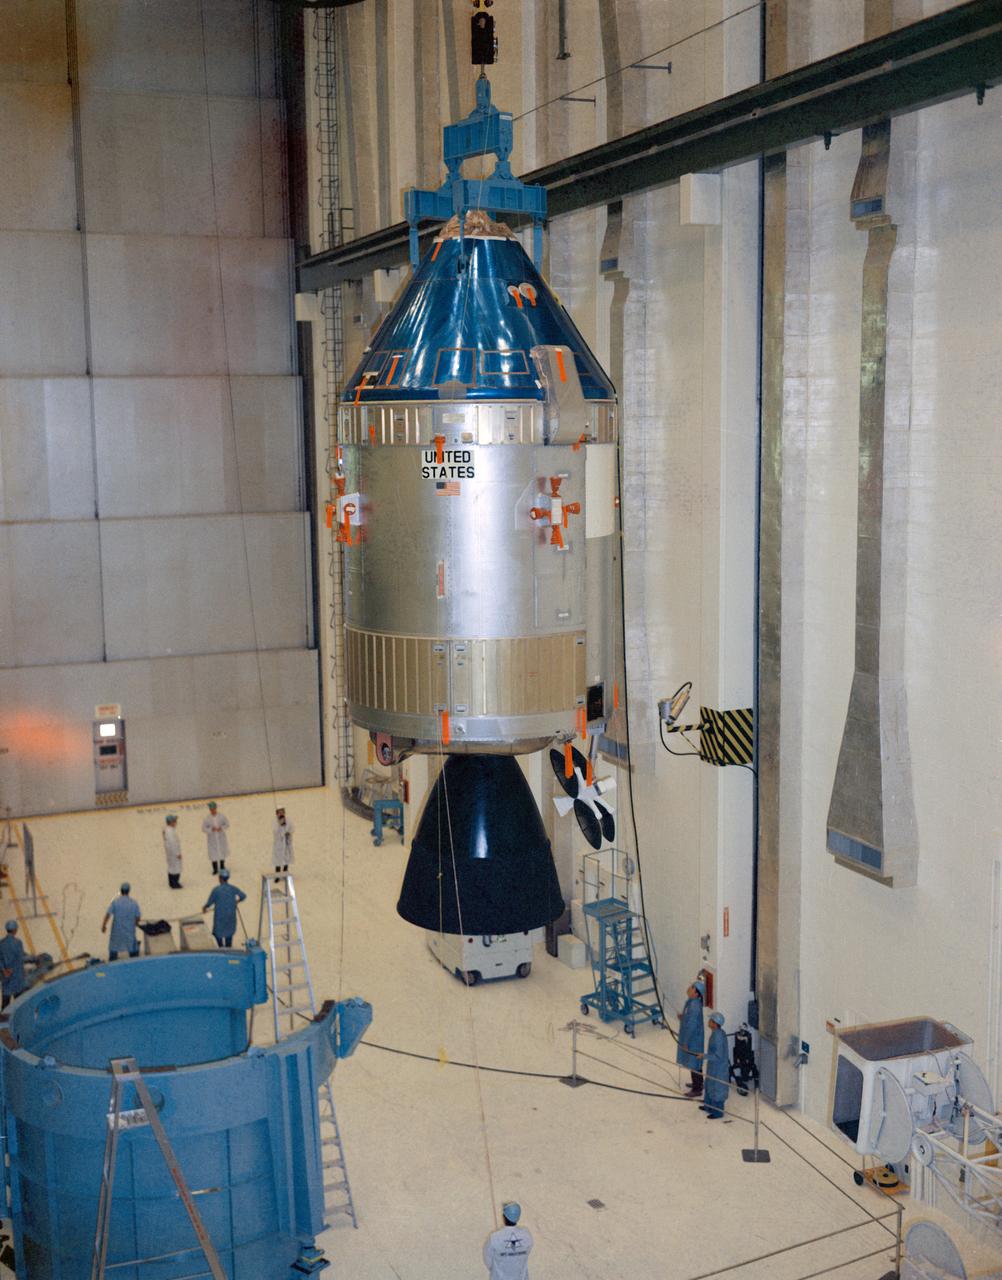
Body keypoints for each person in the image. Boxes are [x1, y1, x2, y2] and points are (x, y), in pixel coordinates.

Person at [483, 1201, 533, 1280]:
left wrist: (498, 1269)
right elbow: (528, 1251)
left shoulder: (495, 1237)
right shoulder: (526, 1234)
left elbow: (487, 1258)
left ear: (504, 1217)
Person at [202, 869, 247, 948]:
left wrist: (205, 908)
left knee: (218, 933)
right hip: (230, 916)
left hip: (220, 917)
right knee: (229, 933)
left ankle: (221, 947)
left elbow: (210, 902)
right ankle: (228, 948)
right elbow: (243, 896)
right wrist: (237, 901)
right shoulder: (233, 888)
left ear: (220, 878)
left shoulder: (216, 890)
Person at [677, 978, 706, 1097]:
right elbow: (689, 1019)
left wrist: (686, 1042)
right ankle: (698, 1083)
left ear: (696, 992)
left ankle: (697, 1089)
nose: (689, 988)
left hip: (693, 1040)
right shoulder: (691, 1002)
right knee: (695, 1062)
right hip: (693, 1038)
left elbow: (692, 1026)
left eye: (692, 987)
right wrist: (683, 1017)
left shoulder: (694, 1005)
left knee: (694, 1062)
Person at [101, 883, 142, 960]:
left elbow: (108, 915)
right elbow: (138, 917)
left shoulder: (115, 902)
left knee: (114, 946)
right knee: (132, 946)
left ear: (121, 891)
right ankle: (134, 959)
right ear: (129, 891)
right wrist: (135, 923)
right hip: (129, 930)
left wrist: (104, 926)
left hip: (117, 931)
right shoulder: (133, 903)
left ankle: (112, 959)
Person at [702, 1011, 730, 1120]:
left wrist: (704, 1056)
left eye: (711, 1020)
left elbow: (718, 1056)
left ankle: (718, 1112)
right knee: (709, 1085)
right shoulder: (716, 1033)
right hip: (713, 1066)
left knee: (717, 1088)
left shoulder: (718, 1036)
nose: (708, 1022)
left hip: (718, 1068)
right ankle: (708, 1106)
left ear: (715, 1023)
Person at [0, 920, 28, 1010]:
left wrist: (4, 970)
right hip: (16, 977)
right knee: (19, 1003)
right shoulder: (18, 943)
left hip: (6, 976)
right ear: (15, 930)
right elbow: (20, 959)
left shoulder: (1, 943)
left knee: (5, 1003)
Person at [202, 801, 230, 875]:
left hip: (221, 837)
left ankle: (222, 866)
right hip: (212, 839)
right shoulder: (207, 818)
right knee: (213, 853)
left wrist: (221, 828)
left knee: (221, 851)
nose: (212, 810)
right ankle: (215, 868)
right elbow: (203, 828)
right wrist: (211, 829)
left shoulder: (221, 816)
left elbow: (227, 824)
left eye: (214, 809)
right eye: (211, 809)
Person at [162, 813, 183, 889]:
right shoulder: (170, 832)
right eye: (174, 821)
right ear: (171, 822)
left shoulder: (167, 830)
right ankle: (175, 883)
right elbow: (172, 844)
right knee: (175, 868)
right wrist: (177, 854)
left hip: (170, 853)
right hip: (173, 854)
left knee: (171, 867)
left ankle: (171, 882)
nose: (176, 822)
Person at [272, 808, 294, 873]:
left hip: (286, 842)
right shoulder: (274, 821)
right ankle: (277, 875)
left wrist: (288, 832)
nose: (281, 814)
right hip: (279, 843)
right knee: (278, 859)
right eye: (279, 812)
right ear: (277, 814)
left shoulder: (288, 820)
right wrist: (280, 825)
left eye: (282, 812)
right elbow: (275, 830)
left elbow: (292, 828)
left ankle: (285, 872)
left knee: (286, 858)